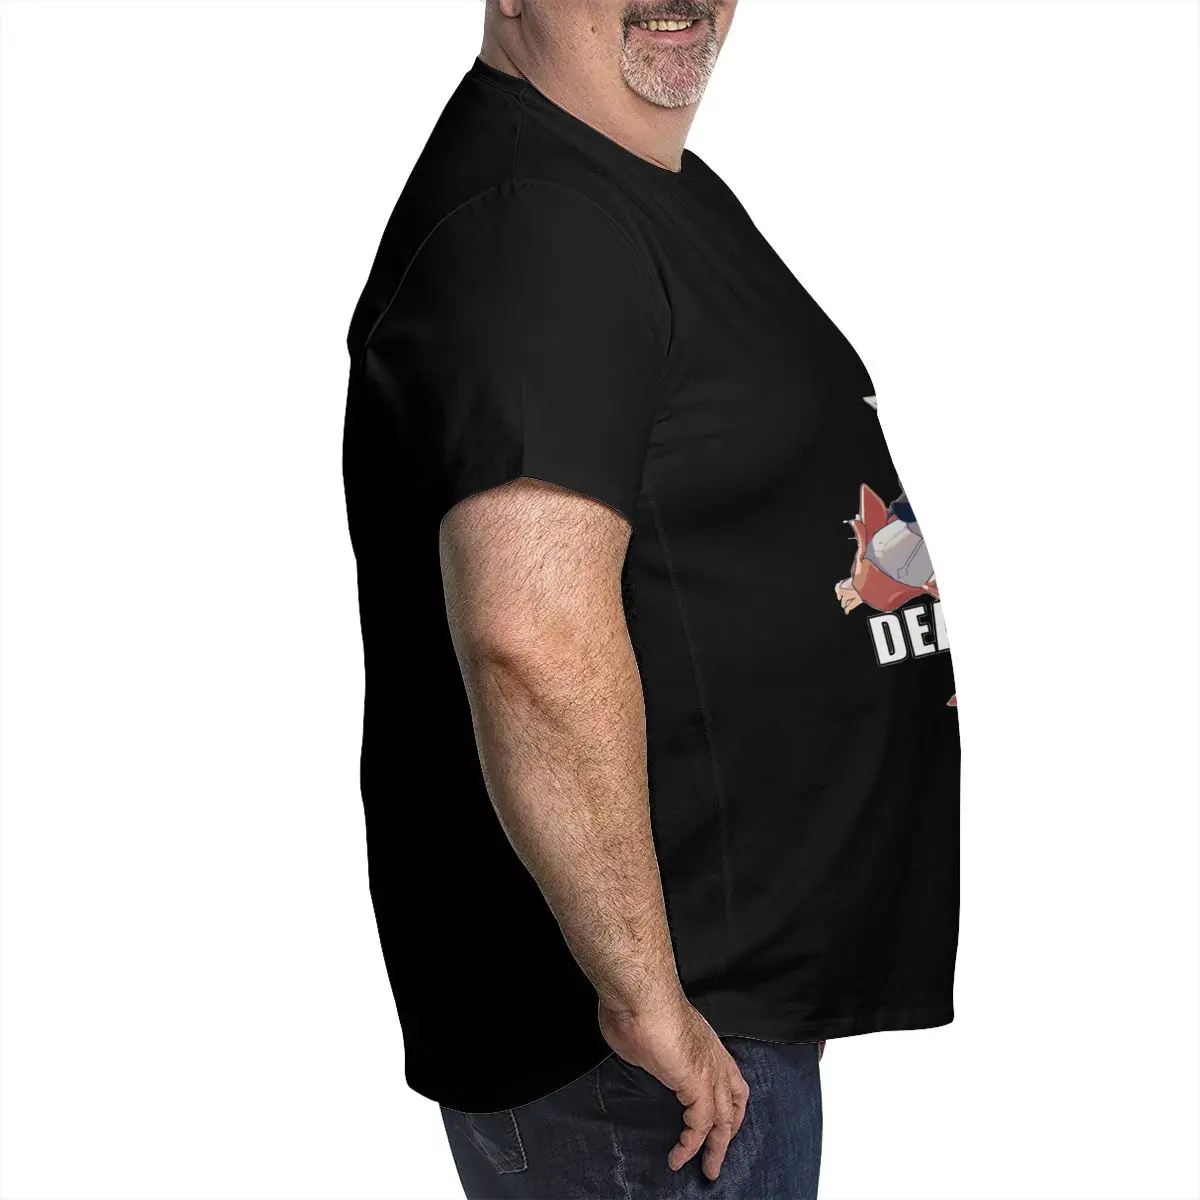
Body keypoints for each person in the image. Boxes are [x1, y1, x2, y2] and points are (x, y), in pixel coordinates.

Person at [341, 1, 960, 1195]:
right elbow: (530, 636)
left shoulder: (619, 185)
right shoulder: (537, 227)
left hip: (699, 1010)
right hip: (640, 1059)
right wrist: (643, 999)